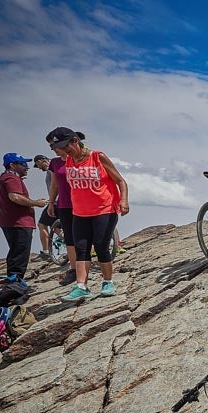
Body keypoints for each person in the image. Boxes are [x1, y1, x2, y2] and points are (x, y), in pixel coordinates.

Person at [46, 127, 129, 301]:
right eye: (59, 147)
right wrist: (53, 202)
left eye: (65, 146)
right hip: (80, 212)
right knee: (81, 248)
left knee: (100, 245)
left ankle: (108, 282)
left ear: (75, 141)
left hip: (104, 209)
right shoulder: (68, 161)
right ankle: (81, 286)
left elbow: (120, 180)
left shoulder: (98, 157)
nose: (63, 150)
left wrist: (123, 200)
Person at [0, 153, 48, 279]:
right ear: (12, 165)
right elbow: (14, 197)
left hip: (12, 222)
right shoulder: (11, 178)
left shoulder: (8, 178)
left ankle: (13, 281)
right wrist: (35, 203)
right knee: (20, 254)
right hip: (18, 223)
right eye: (23, 164)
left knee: (16, 253)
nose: (27, 167)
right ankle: (15, 283)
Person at [46, 143, 77, 285]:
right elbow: (54, 185)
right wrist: (51, 202)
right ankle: (74, 269)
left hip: (82, 202)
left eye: (56, 146)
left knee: (86, 235)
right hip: (64, 204)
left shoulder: (78, 158)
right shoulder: (54, 162)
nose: (54, 150)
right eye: (52, 148)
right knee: (70, 238)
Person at [32, 155, 54, 260]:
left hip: (55, 202)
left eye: (38, 165)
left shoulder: (51, 169)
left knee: (42, 224)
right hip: (57, 201)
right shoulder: (54, 167)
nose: (39, 168)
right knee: (56, 226)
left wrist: (52, 200)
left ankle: (46, 252)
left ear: (41, 161)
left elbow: (56, 184)